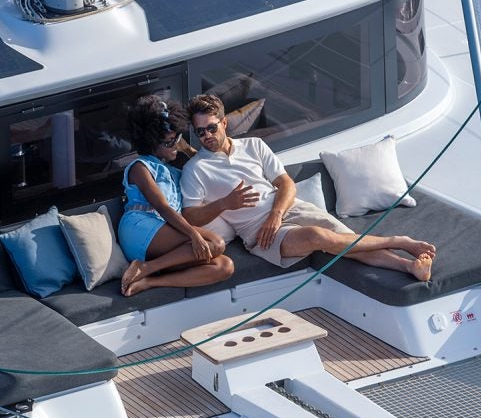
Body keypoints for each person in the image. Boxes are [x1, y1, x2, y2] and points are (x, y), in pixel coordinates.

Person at [179, 93, 434, 280]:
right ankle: (399, 240)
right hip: (259, 234)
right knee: (320, 237)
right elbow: (190, 215)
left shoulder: (254, 145)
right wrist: (225, 204)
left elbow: (285, 183)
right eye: (200, 132)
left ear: (224, 123)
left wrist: (276, 215)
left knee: (345, 240)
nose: (207, 136)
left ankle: (408, 266)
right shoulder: (196, 169)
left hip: (287, 209)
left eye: (211, 128)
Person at [117, 96, 233, 296]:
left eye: (177, 137)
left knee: (224, 266)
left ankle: (150, 280)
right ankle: (145, 267)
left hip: (165, 233)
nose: (174, 145)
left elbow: (205, 164)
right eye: (169, 142)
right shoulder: (140, 167)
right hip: (140, 226)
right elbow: (162, 207)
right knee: (216, 243)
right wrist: (193, 235)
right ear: (151, 143)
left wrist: (185, 147)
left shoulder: (174, 171)